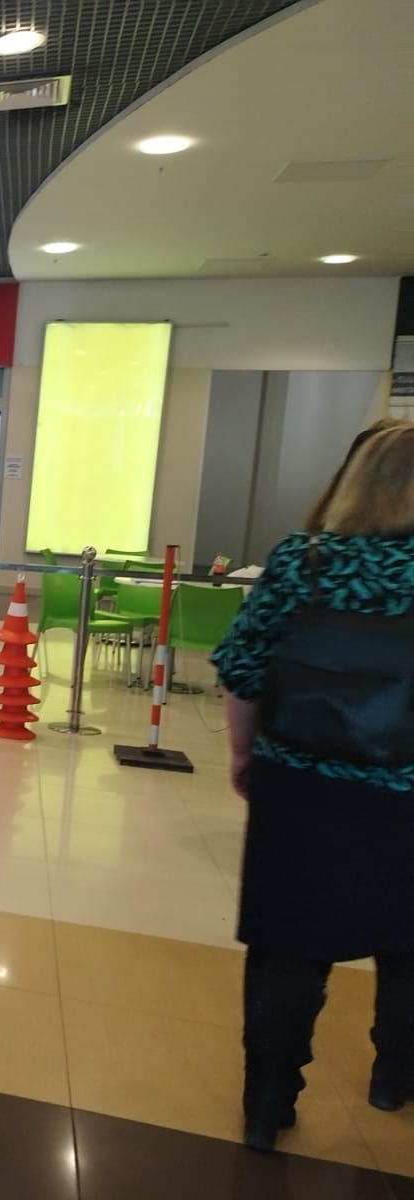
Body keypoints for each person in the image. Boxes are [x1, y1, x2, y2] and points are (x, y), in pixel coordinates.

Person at [210, 422, 414, 1153]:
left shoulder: (303, 560)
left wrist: (244, 754)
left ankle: (267, 1104)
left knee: (287, 946)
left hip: (301, 784)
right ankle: (394, 1076)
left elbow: (242, 668)